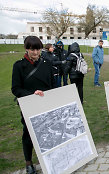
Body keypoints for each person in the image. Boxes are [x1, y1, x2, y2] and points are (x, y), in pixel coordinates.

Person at [11, 36, 55, 174]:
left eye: (38, 49)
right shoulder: (18, 66)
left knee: (49, 131)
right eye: (32, 49)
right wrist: (32, 94)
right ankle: (29, 163)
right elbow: (16, 88)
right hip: (28, 104)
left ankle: (50, 159)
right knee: (28, 134)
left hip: (46, 103)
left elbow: (53, 85)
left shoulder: (47, 64)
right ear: (26, 49)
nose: (35, 52)